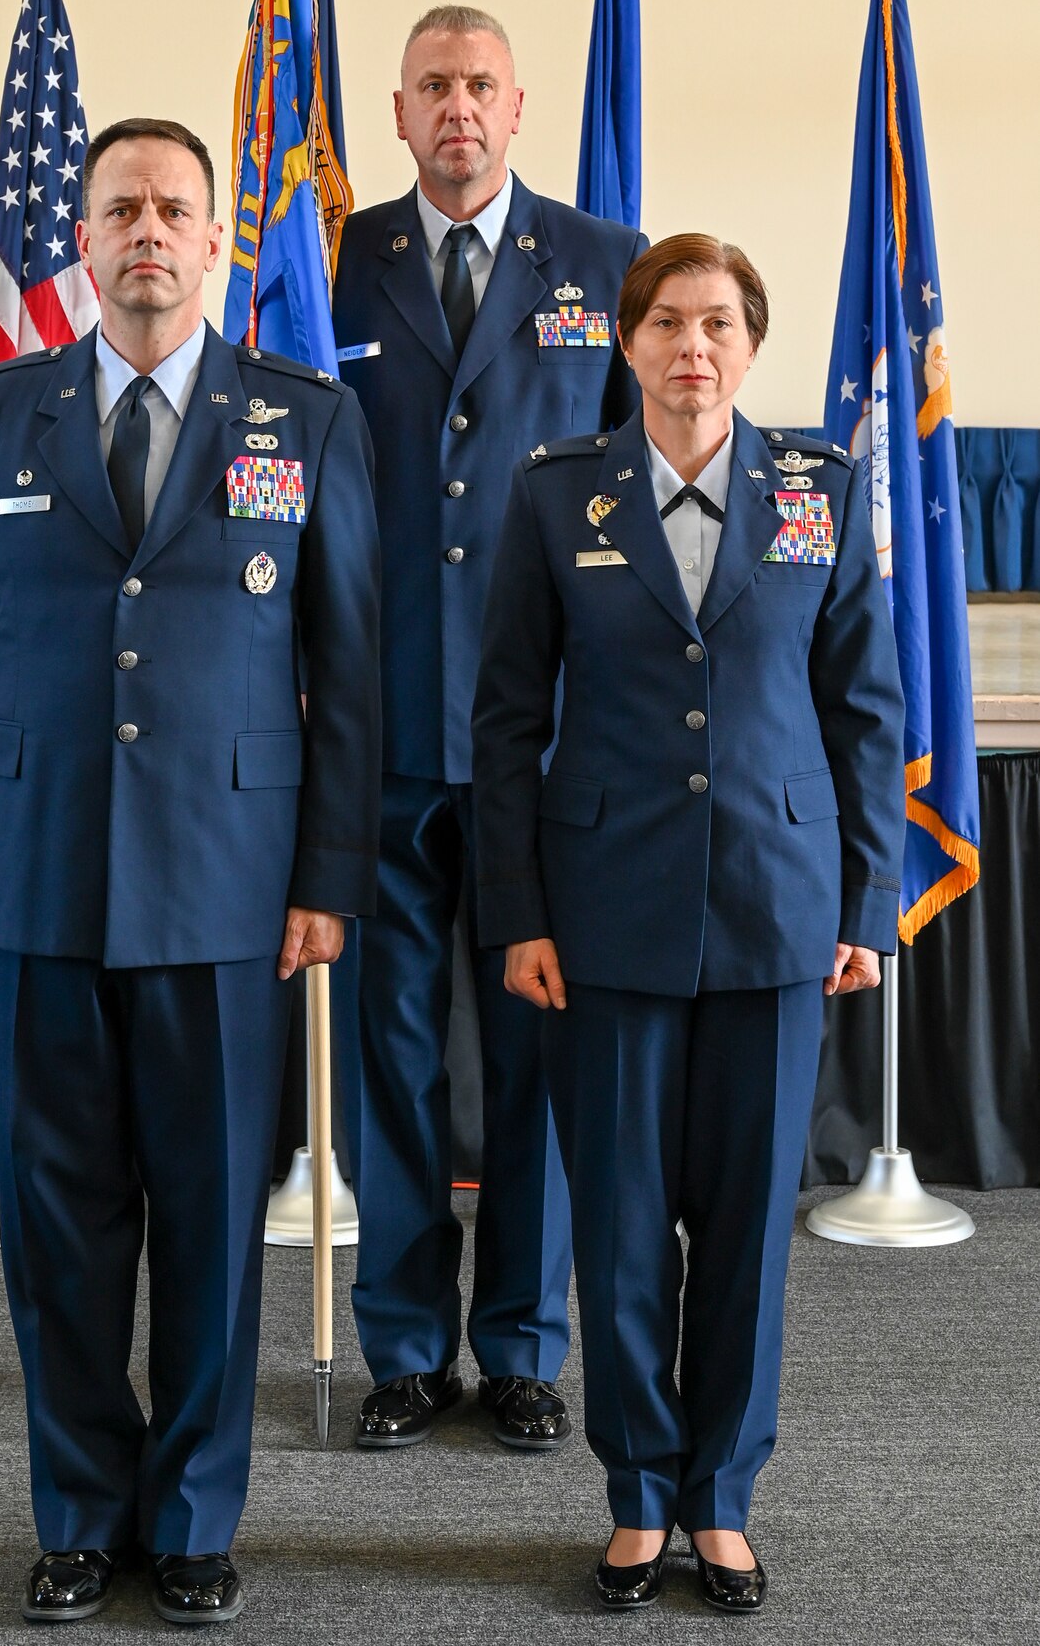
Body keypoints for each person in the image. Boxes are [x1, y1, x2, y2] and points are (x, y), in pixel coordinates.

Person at [0, 117, 380, 1626]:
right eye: (122, 209)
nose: (149, 235)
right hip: (37, 871)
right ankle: (76, 1512)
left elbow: (349, 673)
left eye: (176, 209)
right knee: (58, 1225)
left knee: (207, 1218)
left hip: (229, 887)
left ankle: (188, 1517)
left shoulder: (300, 419)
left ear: (216, 235)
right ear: (87, 240)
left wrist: (327, 874)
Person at [472, 233, 905, 1611]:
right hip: (605, 917)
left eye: (717, 323)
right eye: (664, 322)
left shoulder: (815, 491)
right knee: (617, 1222)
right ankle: (636, 1493)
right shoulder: (555, 498)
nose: (690, 347)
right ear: (625, 340)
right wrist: (519, 913)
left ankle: (720, 1494)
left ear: (750, 344)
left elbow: (864, 711)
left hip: (778, 910)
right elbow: (505, 725)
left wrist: (868, 902)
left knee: (741, 1230)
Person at [330, 4, 648, 1453]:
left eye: (482, 87)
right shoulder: (331, 262)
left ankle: (522, 1342)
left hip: (547, 739)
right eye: (432, 88)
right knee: (389, 1051)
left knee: (533, 1050)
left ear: (520, 109)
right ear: (395, 113)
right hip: (382, 727)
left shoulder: (604, 265)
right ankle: (404, 1346)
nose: (457, 108)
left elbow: (639, 496)